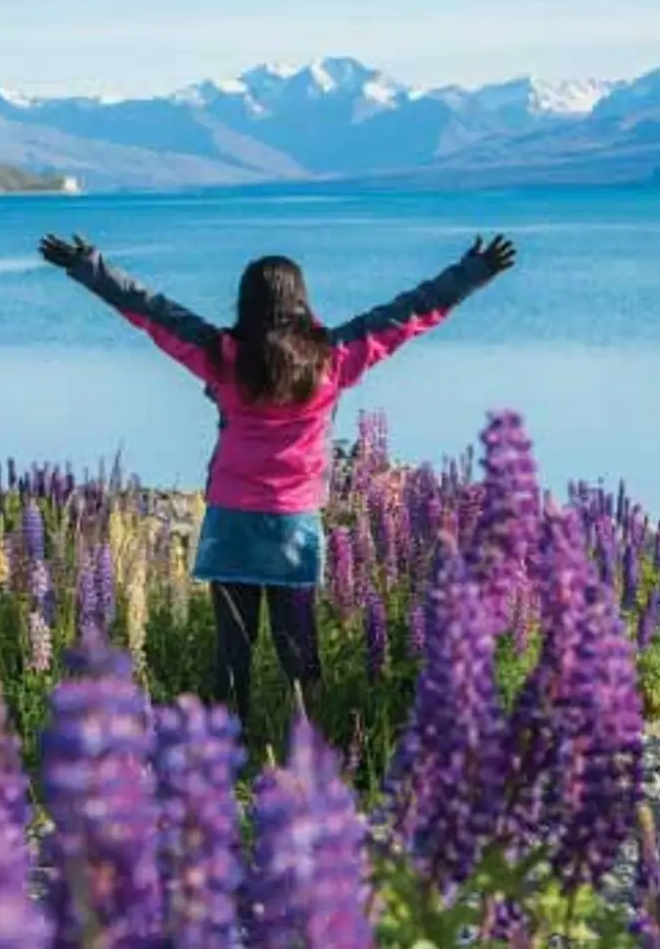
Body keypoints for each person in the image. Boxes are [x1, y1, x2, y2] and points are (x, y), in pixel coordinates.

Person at [37, 230, 517, 725]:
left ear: (246, 301)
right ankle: (308, 746)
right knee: (299, 648)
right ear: (301, 300)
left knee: (232, 653)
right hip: (293, 522)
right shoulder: (334, 357)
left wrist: (87, 265)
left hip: (230, 521)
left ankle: (227, 754)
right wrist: (474, 273)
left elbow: (151, 311)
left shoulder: (221, 354)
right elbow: (409, 313)